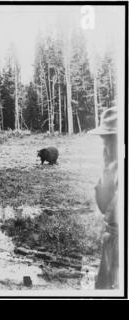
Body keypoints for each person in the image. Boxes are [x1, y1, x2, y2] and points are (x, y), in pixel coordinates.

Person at [89, 107, 119, 289]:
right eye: (103, 138)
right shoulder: (113, 165)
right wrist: (107, 170)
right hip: (111, 243)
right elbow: (104, 206)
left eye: (108, 138)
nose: (104, 144)